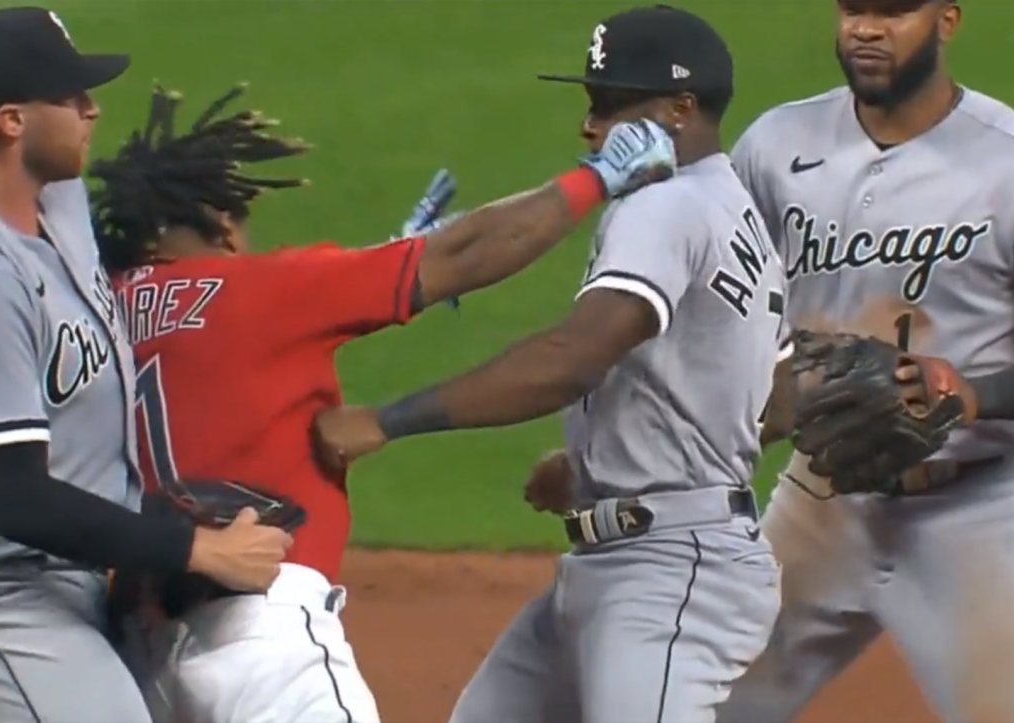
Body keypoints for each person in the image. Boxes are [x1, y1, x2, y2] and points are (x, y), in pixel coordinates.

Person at [89, 77, 676, 723]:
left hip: (130, 654)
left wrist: (384, 257)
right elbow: (469, 250)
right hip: (260, 638)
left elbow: (205, 353)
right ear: (224, 223)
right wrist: (597, 177)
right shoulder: (263, 286)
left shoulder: (94, 310)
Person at [313, 6, 795, 722]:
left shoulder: (663, 208)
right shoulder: (734, 209)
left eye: (608, 104)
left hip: (669, 572)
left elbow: (575, 355)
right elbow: (773, 395)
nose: (589, 127)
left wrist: (388, 419)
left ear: (680, 109)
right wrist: (603, 464)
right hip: (634, 555)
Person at [717, 1, 1014, 722]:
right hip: (822, 497)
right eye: (853, 8)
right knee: (695, 705)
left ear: (947, 19)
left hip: (972, 514)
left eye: (894, 10)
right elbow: (723, 316)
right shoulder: (776, 146)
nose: (866, 28)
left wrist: (969, 394)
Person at [0, 8, 293, 723]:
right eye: (71, 98)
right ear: (13, 121)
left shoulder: (55, 196)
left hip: (69, 564)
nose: (92, 108)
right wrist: (195, 548)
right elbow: (19, 500)